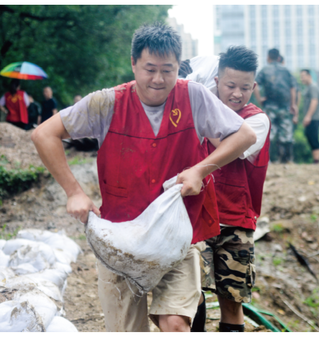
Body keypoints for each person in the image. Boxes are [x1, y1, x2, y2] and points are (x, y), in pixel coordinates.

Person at [30, 23, 256, 332]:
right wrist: (74, 192)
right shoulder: (107, 103)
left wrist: (200, 169)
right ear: (134, 63)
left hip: (177, 236)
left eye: (168, 69)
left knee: (176, 323)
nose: (158, 79)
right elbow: (44, 134)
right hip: (121, 241)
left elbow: (243, 136)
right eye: (150, 69)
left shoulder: (193, 96)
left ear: (179, 67)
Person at [185, 46, 270, 333]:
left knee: (232, 300)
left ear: (254, 87)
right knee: (190, 293)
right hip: (195, 216)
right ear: (217, 80)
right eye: (230, 85)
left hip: (236, 220)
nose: (237, 94)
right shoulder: (198, 104)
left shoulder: (257, 119)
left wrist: (203, 110)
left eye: (245, 88)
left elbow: (231, 147)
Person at [253, 48, 297, 163]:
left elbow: (255, 84)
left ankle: (268, 160)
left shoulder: (265, 70)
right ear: (278, 57)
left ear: (268, 57)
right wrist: (293, 104)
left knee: (268, 133)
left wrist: (259, 99)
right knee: (286, 132)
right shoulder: (286, 70)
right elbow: (293, 88)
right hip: (284, 106)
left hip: (270, 105)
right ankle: (287, 159)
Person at [299, 69, 319, 164]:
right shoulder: (308, 87)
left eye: (303, 76)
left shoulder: (313, 86)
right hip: (311, 117)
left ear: (309, 76)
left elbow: (314, 101)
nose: (301, 79)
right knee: (309, 136)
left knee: (314, 138)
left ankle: (316, 161)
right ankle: (315, 160)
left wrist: (308, 116)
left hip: (314, 117)